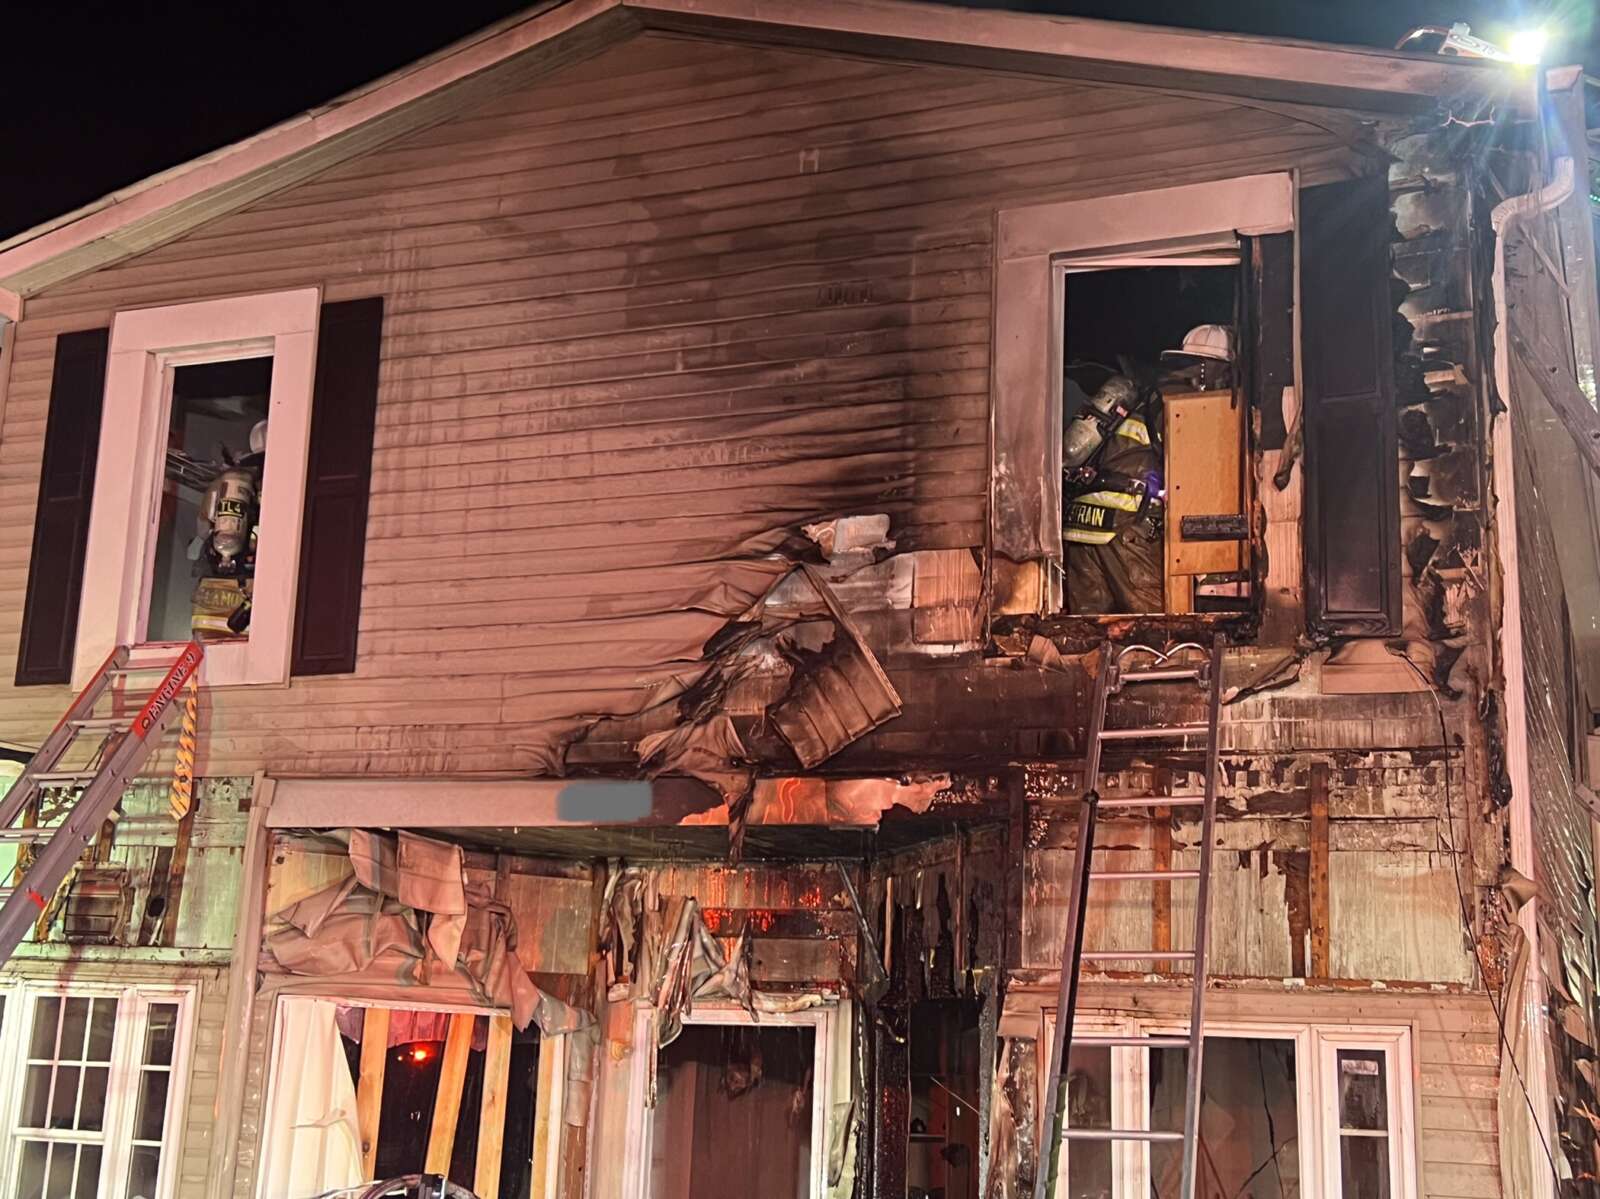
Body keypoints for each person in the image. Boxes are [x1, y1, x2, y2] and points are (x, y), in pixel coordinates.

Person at [1062, 373, 1164, 614]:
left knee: (1085, 628)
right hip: (1124, 526)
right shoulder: (1166, 408)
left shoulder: (1116, 415)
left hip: (1080, 527)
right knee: (1152, 623)